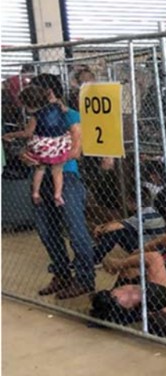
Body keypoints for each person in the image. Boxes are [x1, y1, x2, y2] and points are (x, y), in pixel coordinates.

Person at [21, 74, 95, 299]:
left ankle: (84, 279)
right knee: (46, 230)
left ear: (49, 92)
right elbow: (31, 145)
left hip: (66, 177)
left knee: (75, 229)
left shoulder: (70, 116)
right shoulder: (37, 117)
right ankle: (62, 274)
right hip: (41, 177)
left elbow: (75, 151)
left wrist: (43, 158)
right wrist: (25, 155)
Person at [3, 85, 72, 206]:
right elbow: (65, 110)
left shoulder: (35, 117)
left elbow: (27, 133)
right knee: (57, 170)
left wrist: (10, 135)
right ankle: (57, 194)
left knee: (40, 169)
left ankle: (35, 193)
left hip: (43, 147)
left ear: (28, 105)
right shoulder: (57, 106)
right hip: (59, 144)